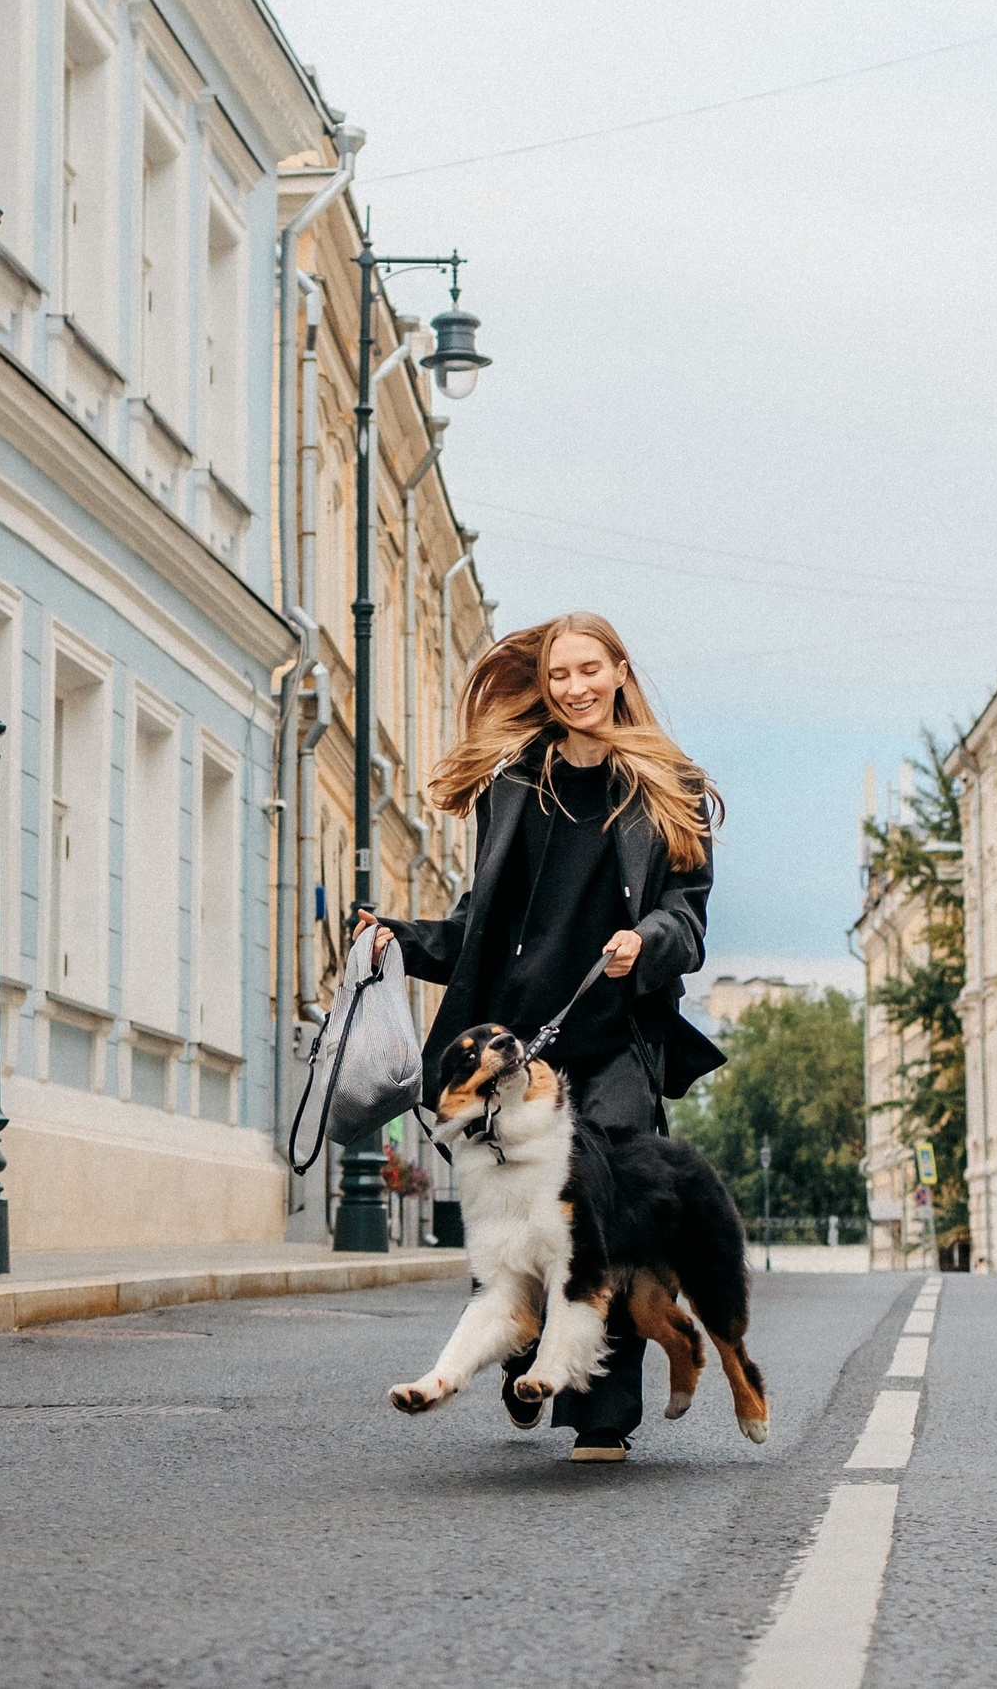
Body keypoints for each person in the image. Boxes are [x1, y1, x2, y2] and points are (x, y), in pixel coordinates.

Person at [359, 611, 725, 1463]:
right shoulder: (517, 784)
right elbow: (476, 928)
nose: (575, 686)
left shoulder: (670, 786)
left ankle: (602, 1416)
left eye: (589, 668)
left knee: (606, 1208)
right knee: (512, 1209)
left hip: (616, 1036)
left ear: (620, 670)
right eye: (560, 674)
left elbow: (688, 921)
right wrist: (396, 939)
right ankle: (524, 1348)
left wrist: (646, 943)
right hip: (518, 1050)